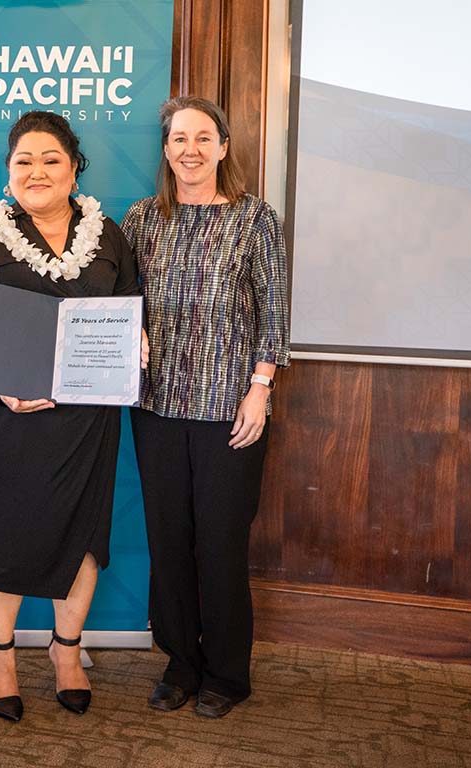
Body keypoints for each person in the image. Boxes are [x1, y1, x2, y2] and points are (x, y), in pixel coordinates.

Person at [0, 111, 140, 721]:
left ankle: (66, 652)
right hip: (10, 415)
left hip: (87, 418)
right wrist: (4, 382)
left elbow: (131, 306)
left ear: (74, 168)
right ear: (8, 175)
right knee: (8, 528)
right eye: (24, 161)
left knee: (83, 530)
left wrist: (131, 349)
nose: (37, 171)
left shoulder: (108, 235)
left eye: (51, 159)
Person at [121, 96, 290, 719]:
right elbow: (121, 297)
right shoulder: (141, 219)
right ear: (166, 151)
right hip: (156, 407)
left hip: (230, 409)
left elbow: (273, 309)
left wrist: (261, 387)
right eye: (177, 139)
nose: (189, 149)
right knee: (168, 541)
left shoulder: (254, 219)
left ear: (223, 147)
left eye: (202, 137)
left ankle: (226, 673)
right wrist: (126, 331)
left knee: (219, 543)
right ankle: (179, 663)